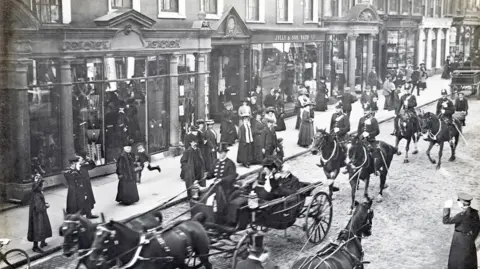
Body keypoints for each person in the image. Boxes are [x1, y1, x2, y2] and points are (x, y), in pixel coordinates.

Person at [443, 193, 480, 269]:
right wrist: (471, 238)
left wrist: (447, 207)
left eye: (458, 201)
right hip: (469, 240)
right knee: (468, 261)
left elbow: (446, 220)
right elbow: (477, 228)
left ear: (462, 204)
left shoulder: (461, 215)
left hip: (459, 240)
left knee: (457, 261)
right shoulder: (475, 212)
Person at [206, 143, 238, 225]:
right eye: (219, 153)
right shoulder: (216, 161)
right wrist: (207, 176)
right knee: (205, 197)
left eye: (222, 153)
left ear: (226, 153)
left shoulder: (230, 163)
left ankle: (221, 219)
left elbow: (233, 176)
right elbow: (211, 173)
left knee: (221, 202)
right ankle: (209, 216)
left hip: (226, 187)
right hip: (216, 185)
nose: (220, 154)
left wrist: (222, 180)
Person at [28, 175, 52, 253]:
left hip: (39, 215)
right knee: (38, 230)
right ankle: (35, 247)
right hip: (38, 217)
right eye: (42, 184)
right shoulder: (37, 195)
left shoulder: (36, 193)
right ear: (39, 186)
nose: (43, 186)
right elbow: (39, 207)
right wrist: (46, 206)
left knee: (43, 228)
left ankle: (43, 242)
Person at [115, 140, 139, 205]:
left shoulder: (130, 155)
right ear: (124, 148)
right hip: (125, 174)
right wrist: (120, 174)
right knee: (125, 187)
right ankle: (126, 200)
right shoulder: (122, 156)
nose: (129, 149)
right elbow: (119, 166)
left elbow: (132, 163)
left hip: (130, 173)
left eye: (130, 148)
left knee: (130, 187)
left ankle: (131, 199)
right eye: (128, 148)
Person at [77, 152, 98, 219]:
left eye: (81, 158)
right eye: (79, 158)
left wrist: (89, 159)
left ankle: (89, 214)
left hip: (86, 184)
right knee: (80, 200)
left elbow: (93, 166)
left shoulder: (84, 165)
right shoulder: (77, 166)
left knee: (88, 199)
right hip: (79, 185)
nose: (80, 160)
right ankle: (79, 216)